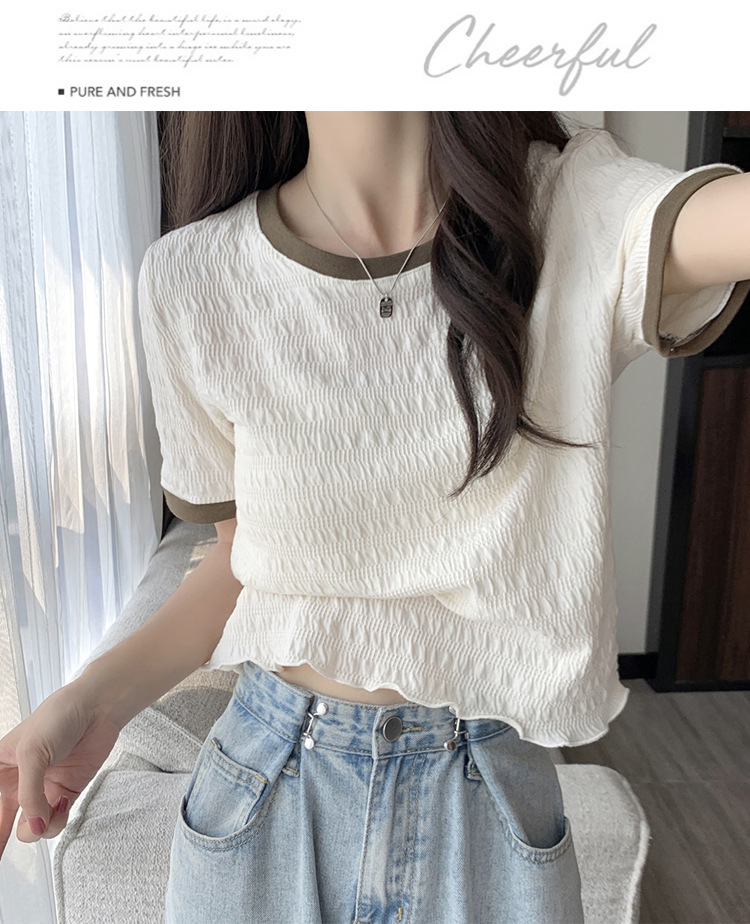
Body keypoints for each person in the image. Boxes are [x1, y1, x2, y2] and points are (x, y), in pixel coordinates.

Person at [1, 111, 749, 923]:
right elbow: (237, 566)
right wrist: (91, 701)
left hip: (487, 801)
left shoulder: (571, 209)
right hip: (264, 792)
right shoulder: (192, 276)